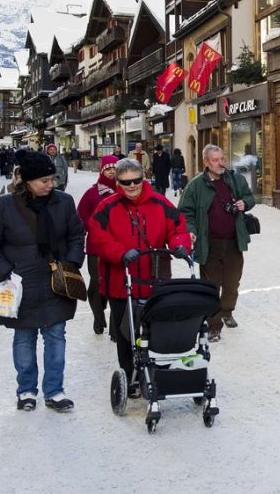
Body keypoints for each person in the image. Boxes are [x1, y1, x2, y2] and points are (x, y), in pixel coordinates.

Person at [0, 150, 85, 412]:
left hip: (54, 283)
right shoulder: (2, 207)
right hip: (20, 285)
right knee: (24, 338)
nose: (51, 185)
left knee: (56, 336)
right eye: (44, 181)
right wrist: (5, 273)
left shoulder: (64, 202)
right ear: (27, 181)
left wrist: (70, 263)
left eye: (52, 179)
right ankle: (26, 390)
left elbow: (76, 235)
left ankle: (54, 391)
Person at [88, 159, 191, 392]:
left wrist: (180, 244)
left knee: (157, 330)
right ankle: (130, 376)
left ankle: (155, 372)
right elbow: (97, 237)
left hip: (155, 279)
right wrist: (120, 252)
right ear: (118, 182)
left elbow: (178, 228)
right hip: (120, 282)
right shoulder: (107, 207)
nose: (132, 186)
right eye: (126, 182)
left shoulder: (160, 203)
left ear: (143, 179)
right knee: (126, 332)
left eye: (137, 180)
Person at [178, 145, 254, 342]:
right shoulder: (195, 185)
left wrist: (244, 204)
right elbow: (185, 212)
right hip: (209, 243)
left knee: (232, 283)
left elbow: (249, 198)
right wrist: (191, 231)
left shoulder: (235, 179)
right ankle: (213, 325)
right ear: (206, 162)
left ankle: (227, 311)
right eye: (215, 160)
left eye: (222, 158)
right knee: (211, 286)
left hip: (233, 242)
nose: (221, 163)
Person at [76, 155, 119, 338]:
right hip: (96, 247)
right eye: (108, 168)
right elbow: (80, 216)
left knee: (116, 284)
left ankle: (116, 328)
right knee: (97, 284)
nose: (111, 172)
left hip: (118, 246)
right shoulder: (92, 194)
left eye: (114, 168)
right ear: (102, 170)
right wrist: (94, 229)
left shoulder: (124, 190)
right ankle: (98, 317)